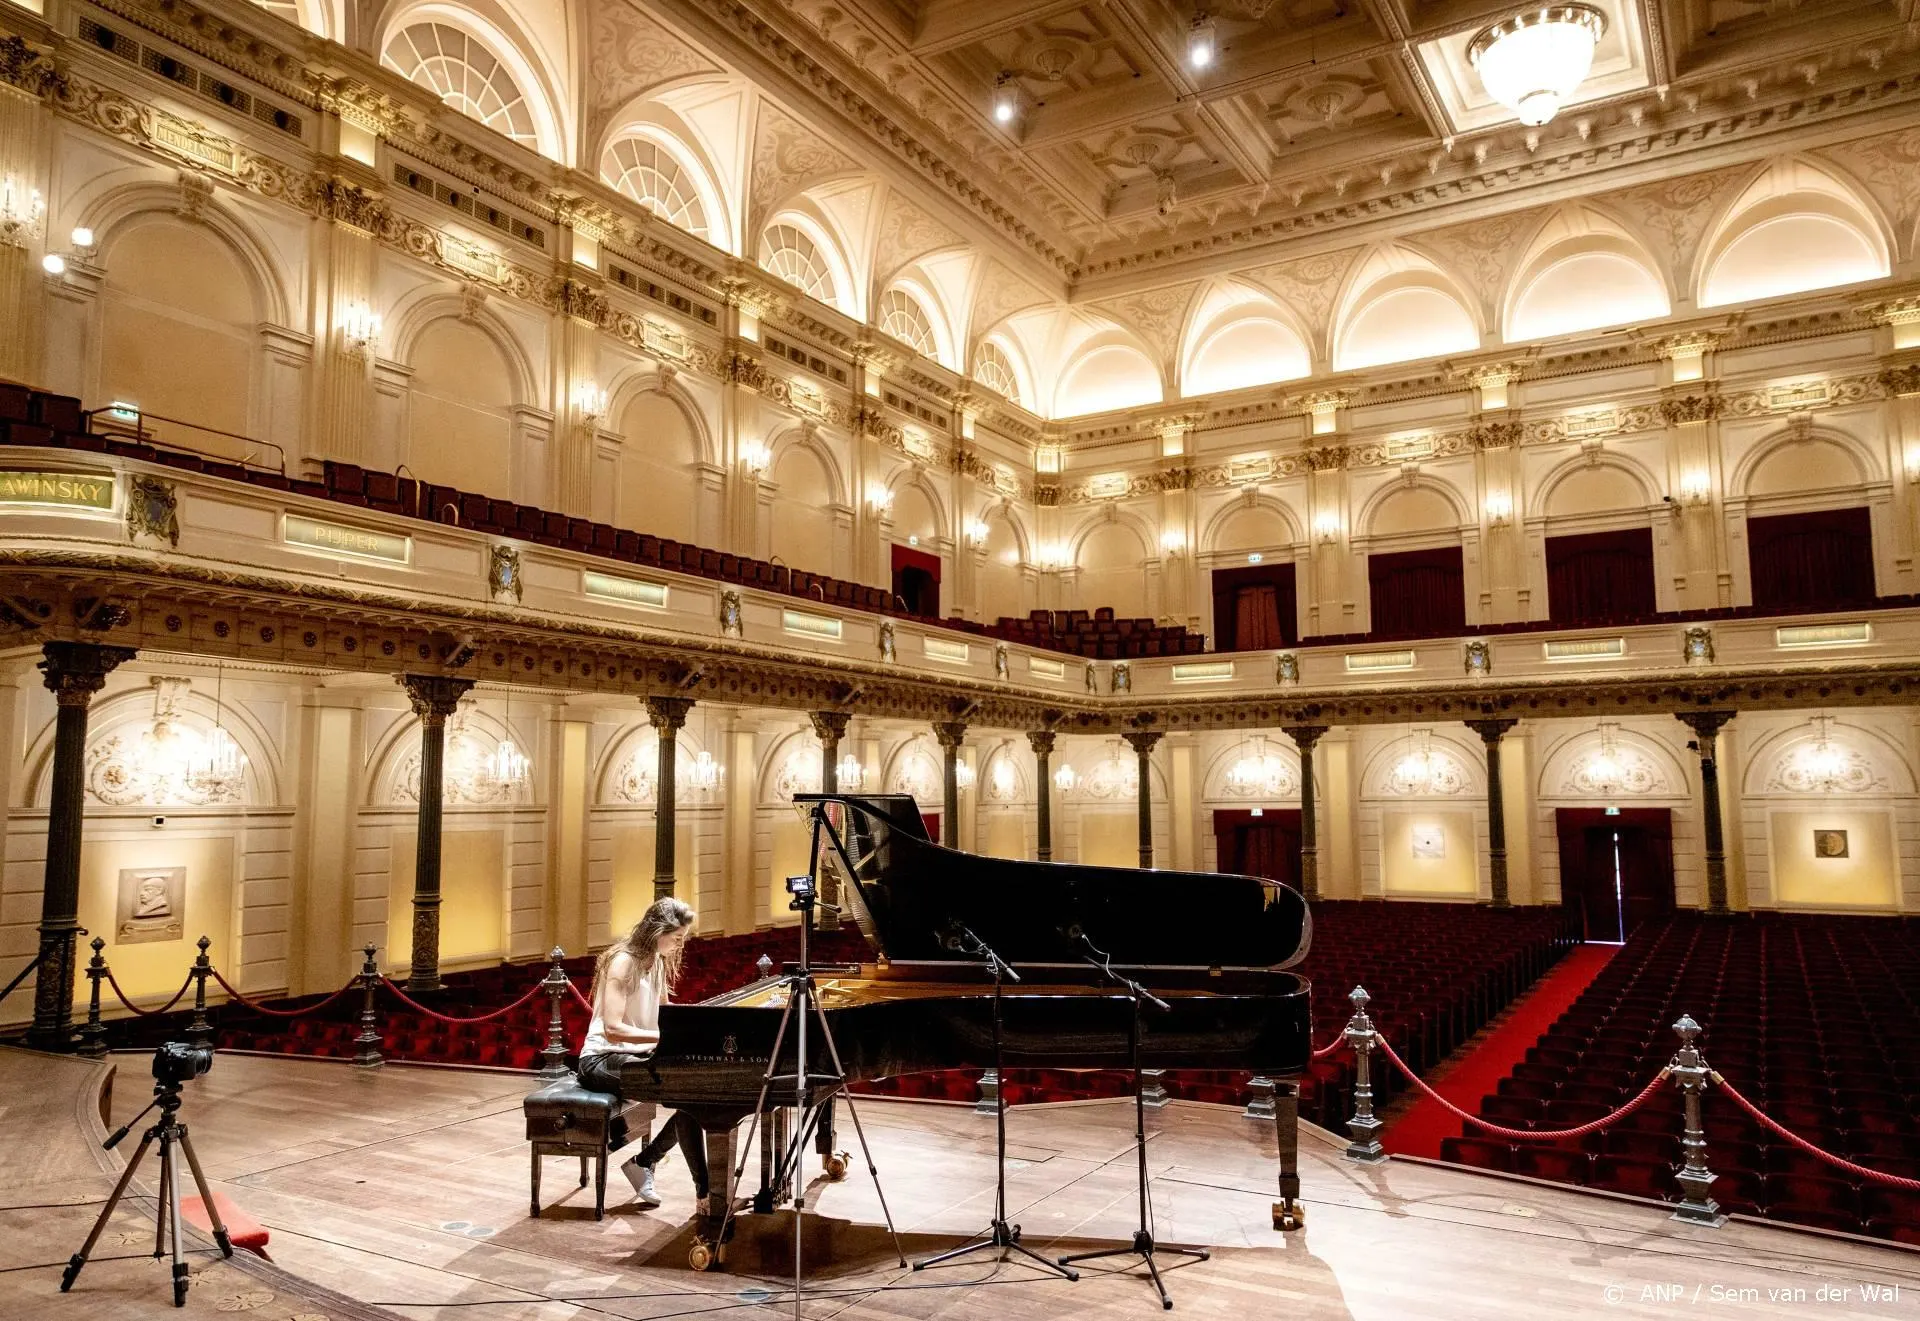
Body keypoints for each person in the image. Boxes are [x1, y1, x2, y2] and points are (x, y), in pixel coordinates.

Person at [576, 898, 706, 1208]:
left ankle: (646, 1162)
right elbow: (613, 1029)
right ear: (658, 931)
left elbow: (665, 1014)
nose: (680, 945)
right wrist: (664, 1037)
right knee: (687, 1096)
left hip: (635, 1054)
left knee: (695, 1096)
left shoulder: (656, 961)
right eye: (677, 938)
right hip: (600, 1059)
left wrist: (695, 1026)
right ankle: (704, 1192)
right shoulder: (623, 963)